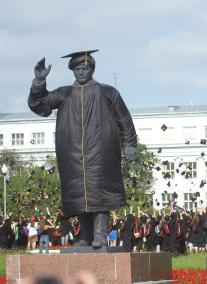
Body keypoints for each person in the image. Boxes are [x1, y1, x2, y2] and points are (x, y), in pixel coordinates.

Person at [28, 51, 137, 248]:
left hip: (101, 151)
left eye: (84, 68)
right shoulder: (64, 93)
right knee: (78, 194)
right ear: (72, 70)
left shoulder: (107, 92)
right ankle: (85, 236)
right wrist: (38, 82)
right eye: (77, 68)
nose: (81, 72)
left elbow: (124, 119)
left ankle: (100, 235)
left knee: (99, 192)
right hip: (72, 152)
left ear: (92, 69)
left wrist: (130, 144)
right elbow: (40, 106)